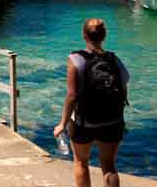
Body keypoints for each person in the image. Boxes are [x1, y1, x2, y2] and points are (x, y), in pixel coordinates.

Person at [54, 18, 129, 187]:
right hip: (112, 121)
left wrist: (62, 123)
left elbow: (72, 95)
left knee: (81, 163)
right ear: (104, 36)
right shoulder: (114, 60)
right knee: (109, 166)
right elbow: (123, 91)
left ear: (84, 35)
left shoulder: (74, 59)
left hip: (83, 122)